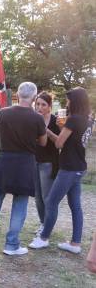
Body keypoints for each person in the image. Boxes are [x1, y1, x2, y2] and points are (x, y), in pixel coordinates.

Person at [0, 82, 47, 256]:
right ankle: (11, 245)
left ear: (17, 94)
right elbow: (43, 142)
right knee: (20, 204)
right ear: (34, 97)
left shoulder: (5, 113)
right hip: (25, 164)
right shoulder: (37, 118)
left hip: (5, 161)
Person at [29, 87, 93, 254]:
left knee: (50, 202)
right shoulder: (88, 119)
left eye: (69, 100)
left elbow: (59, 143)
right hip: (80, 167)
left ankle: (43, 238)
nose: (67, 103)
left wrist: (48, 131)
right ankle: (75, 243)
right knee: (75, 206)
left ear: (75, 101)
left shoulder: (73, 120)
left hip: (69, 168)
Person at [32, 92, 60, 237]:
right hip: (34, 161)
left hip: (49, 162)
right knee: (37, 196)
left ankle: (47, 227)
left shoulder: (56, 121)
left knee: (47, 197)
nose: (40, 107)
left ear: (49, 107)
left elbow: (59, 143)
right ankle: (43, 224)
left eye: (43, 105)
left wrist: (46, 131)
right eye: (38, 104)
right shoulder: (33, 119)